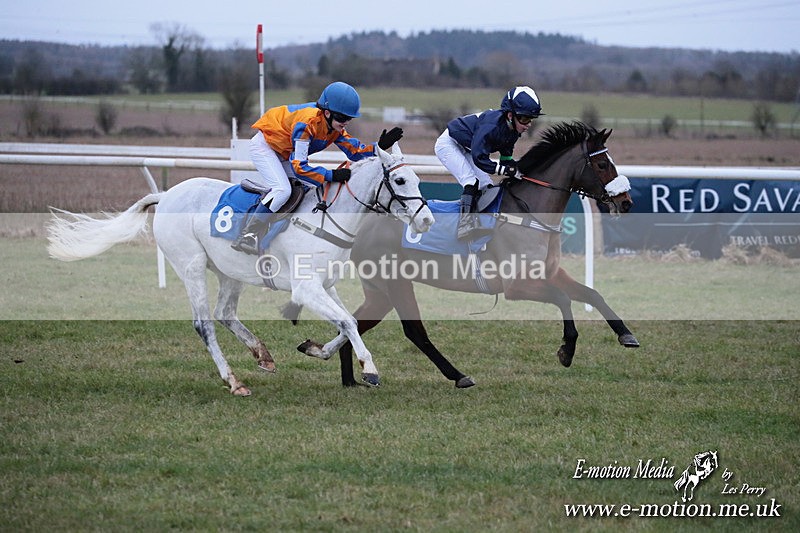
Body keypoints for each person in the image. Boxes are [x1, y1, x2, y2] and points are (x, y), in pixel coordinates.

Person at [231, 81, 403, 254]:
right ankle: (249, 234)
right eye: (342, 118)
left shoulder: (334, 126)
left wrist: (378, 147)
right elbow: (300, 167)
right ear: (327, 113)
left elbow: (354, 152)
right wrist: (330, 175)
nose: (346, 122)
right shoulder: (307, 123)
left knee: (311, 191)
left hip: (284, 152)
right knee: (283, 190)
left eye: (349, 118)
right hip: (265, 147)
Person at [434, 85, 544, 240]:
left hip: (469, 148)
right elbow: (480, 159)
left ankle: (483, 223)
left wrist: (521, 170)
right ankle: (464, 227)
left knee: (487, 187)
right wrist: (506, 171)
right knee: (471, 182)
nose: (528, 124)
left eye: (531, 119)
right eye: (524, 119)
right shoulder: (491, 126)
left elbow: (505, 160)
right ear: (510, 115)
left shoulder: (512, 132)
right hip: (449, 144)